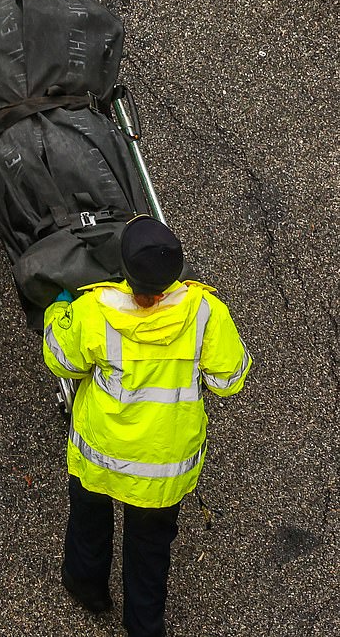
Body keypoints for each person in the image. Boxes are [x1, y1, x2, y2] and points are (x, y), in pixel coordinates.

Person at [43, 214, 252, 637]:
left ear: (124, 270)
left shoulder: (93, 310)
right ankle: (143, 625)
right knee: (150, 549)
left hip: (101, 452)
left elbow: (60, 360)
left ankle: (88, 588)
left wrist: (58, 310)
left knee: (89, 518)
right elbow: (228, 381)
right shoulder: (206, 312)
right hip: (163, 465)